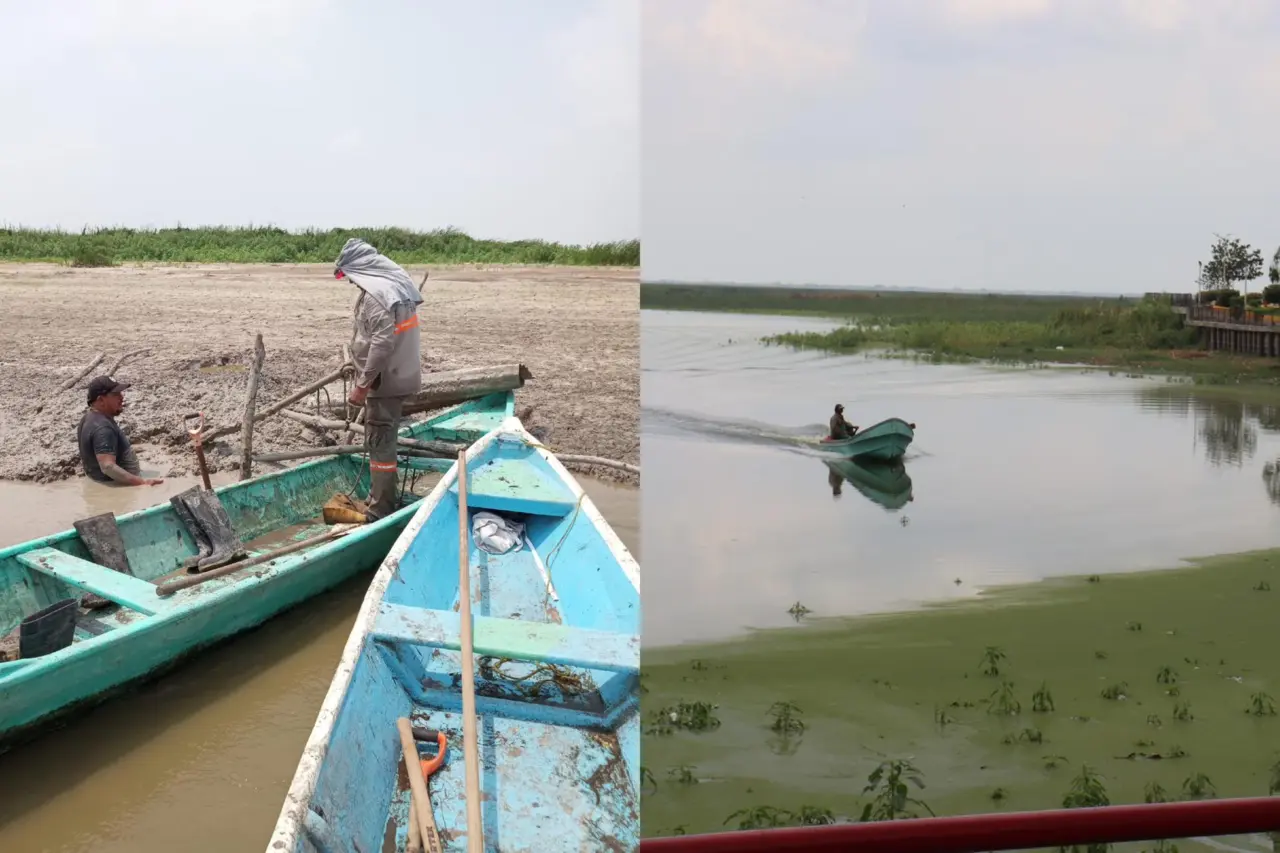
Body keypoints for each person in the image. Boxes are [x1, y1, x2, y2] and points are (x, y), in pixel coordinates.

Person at [335, 237, 424, 522]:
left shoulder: (377, 297)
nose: (350, 282)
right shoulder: (391, 289)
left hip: (384, 384)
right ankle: (380, 498)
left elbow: (382, 344)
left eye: (350, 275)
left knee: (380, 443)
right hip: (398, 377)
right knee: (382, 440)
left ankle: (380, 509)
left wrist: (362, 386)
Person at [77, 376, 164, 486]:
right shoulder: (103, 428)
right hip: (117, 488)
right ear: (101, 400)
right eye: (115, 394)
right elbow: (108, 467)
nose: (121, 397)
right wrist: (143, 483)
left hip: (97, 483)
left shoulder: (88, 418)